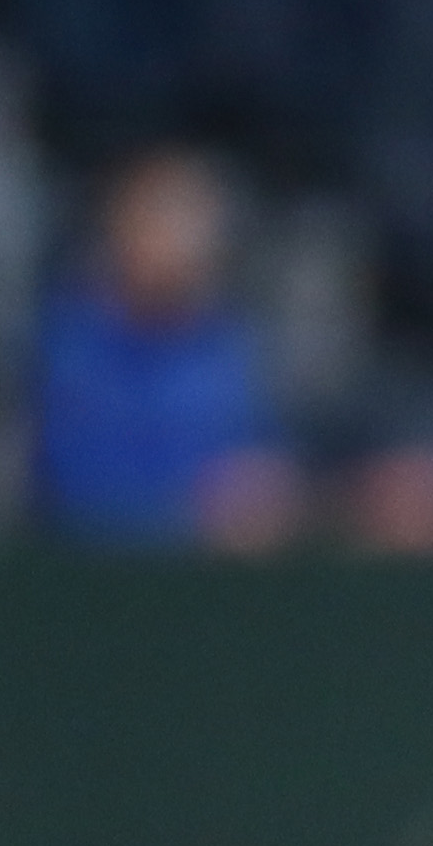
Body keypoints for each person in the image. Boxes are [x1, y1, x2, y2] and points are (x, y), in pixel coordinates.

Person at [31, 147, 302, 552]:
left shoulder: (234, 346)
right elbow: (74, 493)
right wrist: (197, 514)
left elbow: (268, 465)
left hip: (223, 587)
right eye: (162, 221)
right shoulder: (69, 347)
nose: (181, 243)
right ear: (119, 230)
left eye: (194, 225)